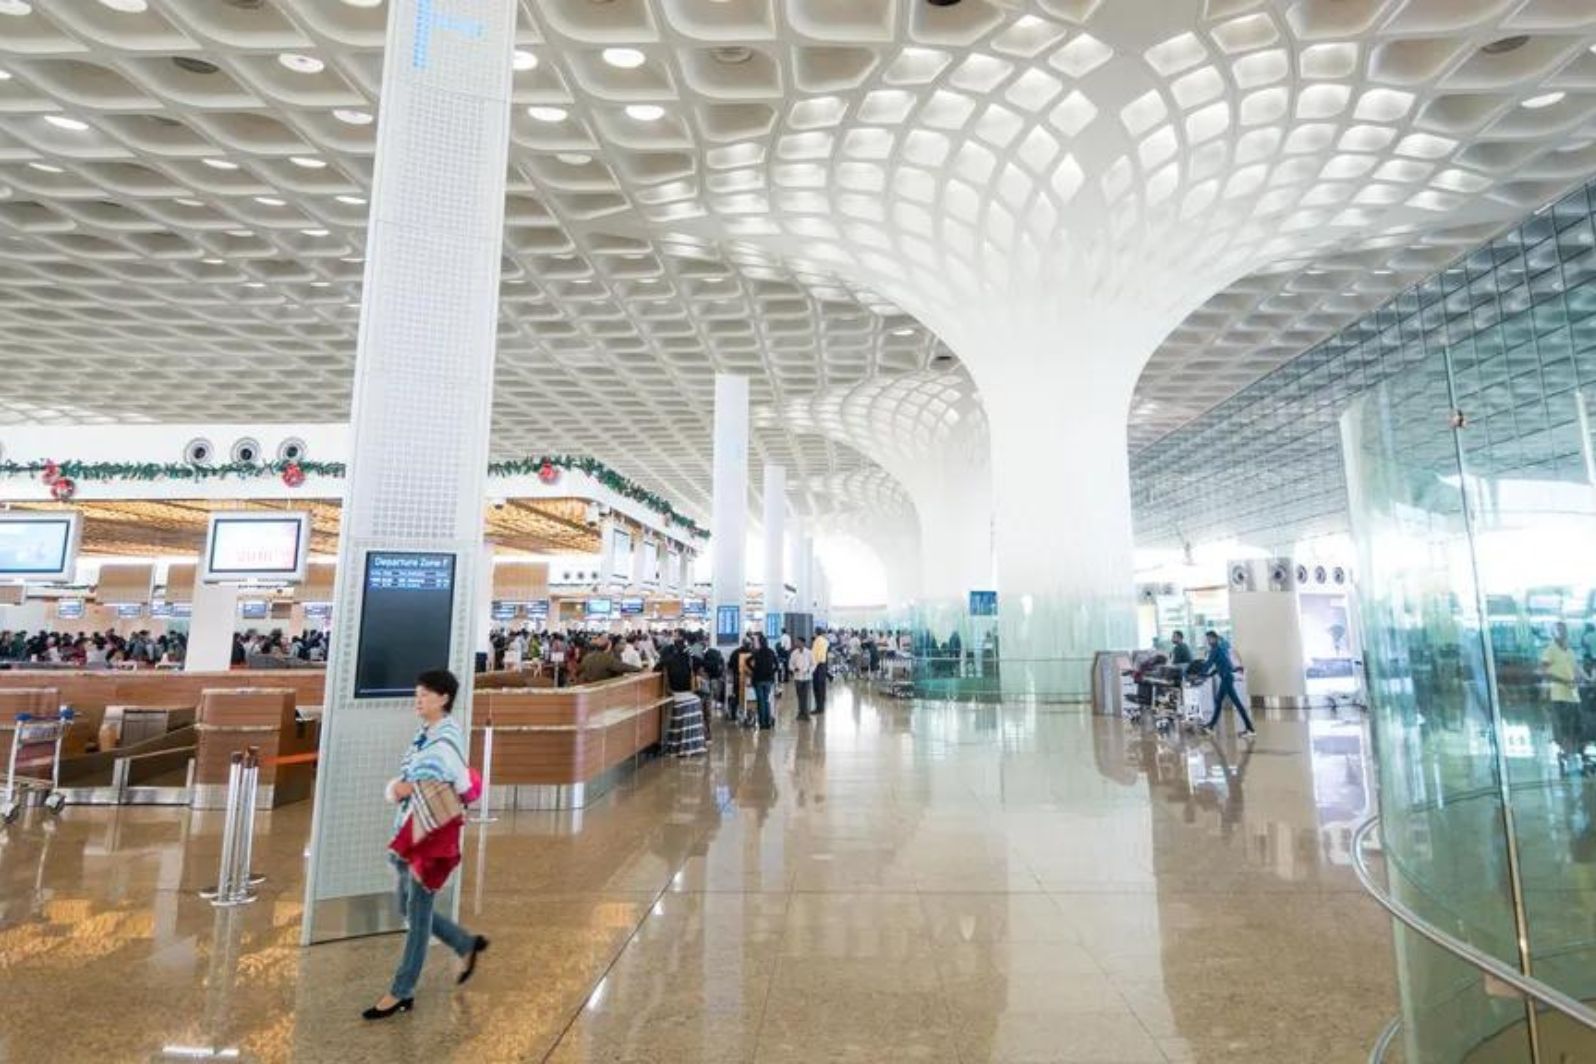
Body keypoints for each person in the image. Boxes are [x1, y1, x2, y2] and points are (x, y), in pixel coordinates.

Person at [364, 669, 488, 1020]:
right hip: (411, 830)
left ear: (443, 698)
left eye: (424, 694)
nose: (418, 699)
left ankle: (401, 991)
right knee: (407, 905)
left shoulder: (446, 738)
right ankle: (465, 944)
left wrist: (405, 789)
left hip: (428, 837)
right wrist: (402, 788)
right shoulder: (426, 733)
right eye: (417, 693)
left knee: (416, 913)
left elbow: (457, 782)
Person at [1542, 621, 1581, 768]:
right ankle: (1568, 755)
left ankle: (1575, 753)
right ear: (1553, 633)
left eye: (1564, 630)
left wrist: (1579, 678)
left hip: (1573, 694)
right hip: (1559, 694)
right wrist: (1563, 680)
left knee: (1576, 726)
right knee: (1564, 726)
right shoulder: (1550, 650)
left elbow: (1576, 669)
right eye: (1559, 630)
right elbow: (1545, 672)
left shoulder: (1570, 651)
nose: (1562, 633)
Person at [1200, 630, 1254, 739]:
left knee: (1237, 704)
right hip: (1226, 677)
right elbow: (1222, 664)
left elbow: (1209, 663)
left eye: (1209, 639)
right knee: (1218, 701)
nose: (1208, 641)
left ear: (1214, 638)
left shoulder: (1215, 650)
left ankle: (1250, 729)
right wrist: (1211, 673)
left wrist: (1200, 673)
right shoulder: (1221, 648)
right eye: (1207, 639)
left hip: (1226, 679)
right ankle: (1210, 726)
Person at [659, 636, 707, 756]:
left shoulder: (668, 660)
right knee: (697, 700)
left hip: (676, 695)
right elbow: (701, 662)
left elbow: (656, 668)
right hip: (688, 695)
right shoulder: (689, 659)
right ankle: (693, 744)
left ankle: (677, 744)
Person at [750, 633, 779, 730]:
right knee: (766, 701)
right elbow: (777, 666)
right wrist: (772, 671)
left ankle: (762, 723)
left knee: (760, 701)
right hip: (768, 679)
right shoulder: (771, 652)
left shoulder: (756, 653)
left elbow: (747, 661)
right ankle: (767, 722)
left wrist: (753, 669)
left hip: (758, 679)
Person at [789, 636, 815, 721]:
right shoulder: (794, 653)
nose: (797, 644)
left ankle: (806, 714)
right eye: (797, 642)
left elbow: (813, 664)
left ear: (803, 643)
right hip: (797, 677)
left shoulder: (809, 653)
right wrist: (793, 669)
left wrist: (809, 670)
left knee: (806, 696)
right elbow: (790, 664)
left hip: (807, 677)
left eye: (799, 642)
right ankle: (800, 713)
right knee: (800, 696)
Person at [811, 628, 830, 714]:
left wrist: (812, 667)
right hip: (823, 665)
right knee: (822, 687)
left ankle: (818, 708)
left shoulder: (817, 641)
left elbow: (815, 655)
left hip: (817, 666)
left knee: (817, 688)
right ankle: (821, 707)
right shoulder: (825, 641)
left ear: (816, 633)